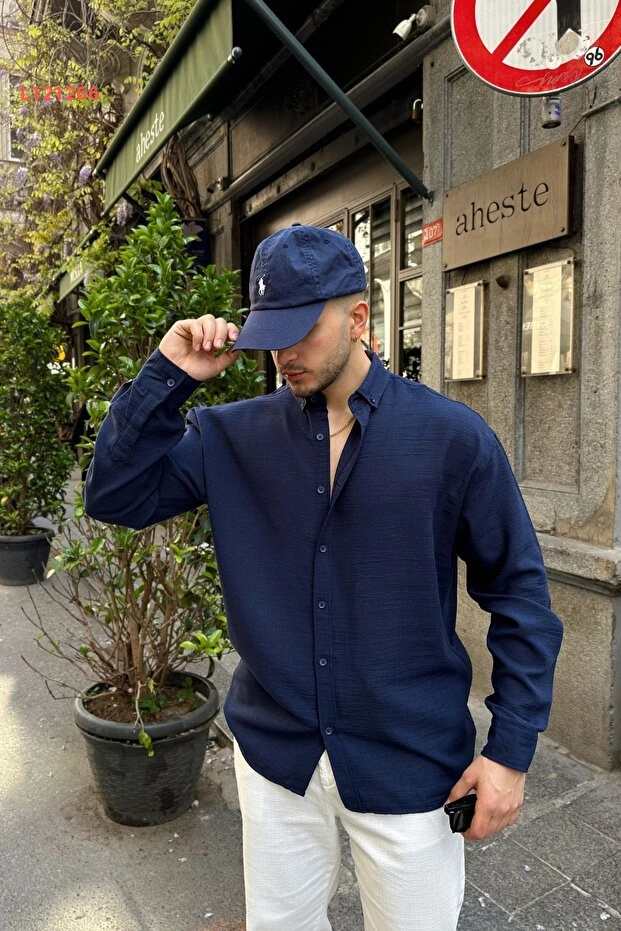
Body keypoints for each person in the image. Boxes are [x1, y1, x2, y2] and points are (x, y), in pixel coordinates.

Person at [84, 223, 563, 931]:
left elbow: (519, 594)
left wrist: (510, 752)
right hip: (276, 760)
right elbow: (113, 496)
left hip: (409, 763)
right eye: (270, 333)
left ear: (358, 317)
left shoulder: (451, 438)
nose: (284, 354)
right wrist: (168, 373)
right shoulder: (229, 437)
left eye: (301, 331)